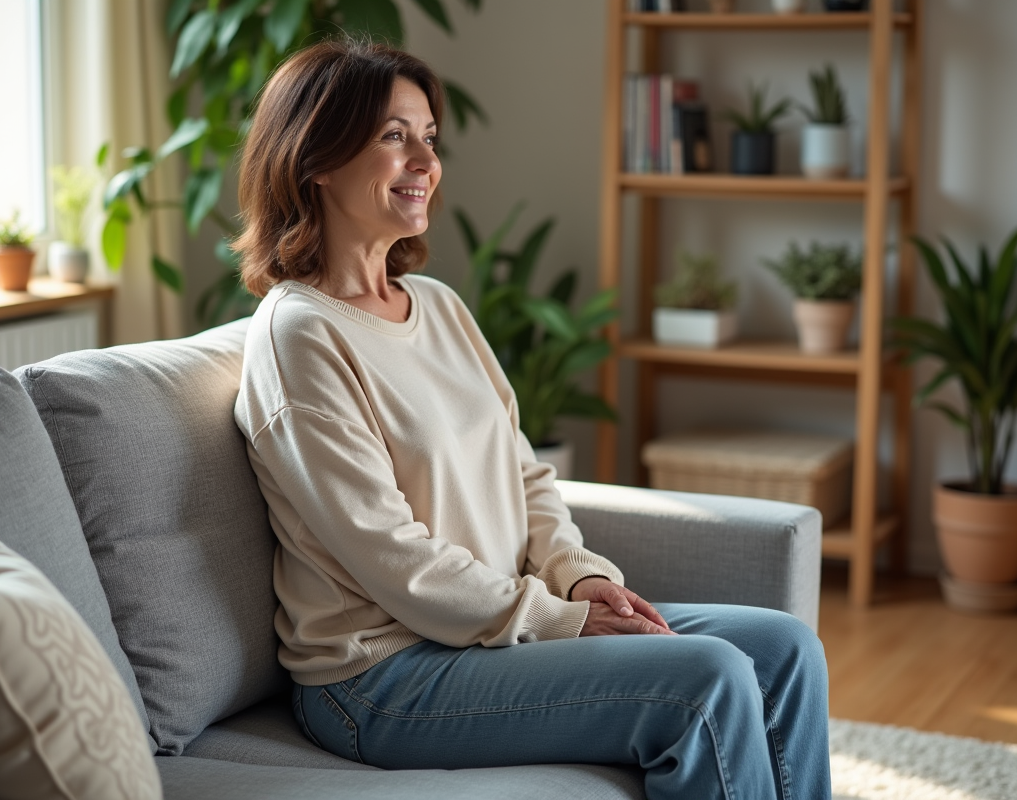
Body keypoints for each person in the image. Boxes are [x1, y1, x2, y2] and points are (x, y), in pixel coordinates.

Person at [232, 38, 831, 800]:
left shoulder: (439, 307)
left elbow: (526, 473)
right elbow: (389, 556)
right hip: (381, 675)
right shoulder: (298, 335)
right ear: (313, 158)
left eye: (429, 138)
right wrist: (554, 620)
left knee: (785, 647)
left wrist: (576, 580)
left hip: (494, 631)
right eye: (393, 137)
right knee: (704, 680)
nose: (424, 161)